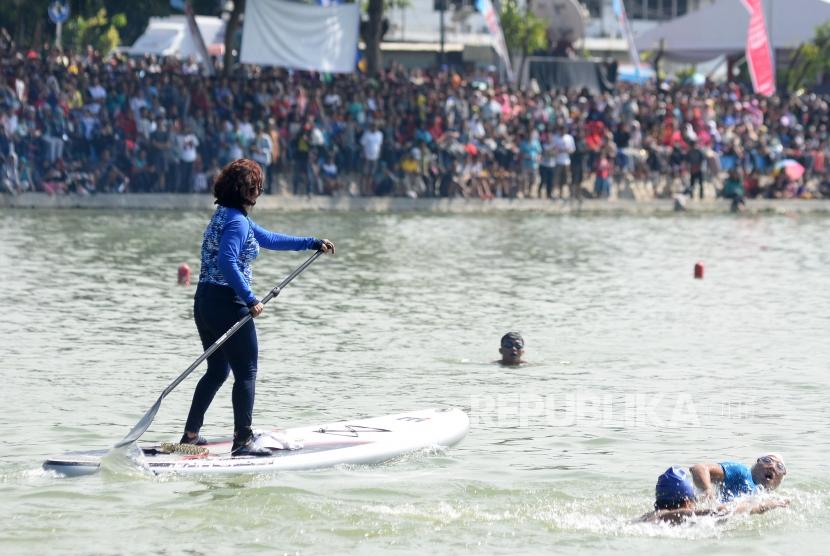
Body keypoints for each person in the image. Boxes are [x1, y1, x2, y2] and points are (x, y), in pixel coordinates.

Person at [181, 158, 335, 457]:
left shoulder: (226, 216)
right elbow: (227, 261)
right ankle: (242, 441)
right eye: (255, 187)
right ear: (242, 190)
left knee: (216, 371)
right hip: (228, 304)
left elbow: (271, 239)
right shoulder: (237, 222)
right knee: (247, 372)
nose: (259, 192)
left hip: (204, 303)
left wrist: (311, 242)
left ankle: (190, 435)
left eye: (260, 187)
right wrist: (250, 298)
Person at [639, 467, 788, 525]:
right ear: (686, 502)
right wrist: (765, 505)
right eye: (693, 500)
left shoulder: (649, 516)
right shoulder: (673, 515)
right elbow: (722, 511)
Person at [689, 454, 787, 501]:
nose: (772, 467)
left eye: (780, 467)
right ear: (757, 463)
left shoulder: (772, 500)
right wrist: (707, 489)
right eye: (767, 460)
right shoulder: (742, 473)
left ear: (781, 479)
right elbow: (699, 468)